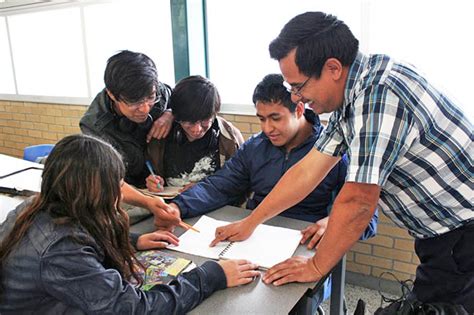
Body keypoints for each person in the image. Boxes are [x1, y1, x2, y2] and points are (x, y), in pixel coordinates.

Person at [211, 12, 473, 312]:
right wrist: (251, 222)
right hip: (441, 236)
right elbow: (308, 170)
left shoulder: (380, 94)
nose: (297, 98)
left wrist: (316, 266)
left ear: (333, 68)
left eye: (299, 86)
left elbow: (359, 202)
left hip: (463, 234)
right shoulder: (352, 98)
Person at [166, 74, 377, 308]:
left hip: (304, 248)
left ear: (298, 109)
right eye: (261, 119)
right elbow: (220, 185)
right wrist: (178, 205)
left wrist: (332, 221)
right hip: (251, 240)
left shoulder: (334, 151)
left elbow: (367, 216)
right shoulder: (254, 148)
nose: (267, 128)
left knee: (294, 304)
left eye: (275, 118)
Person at [0, 134, 259, 314]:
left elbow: (86, 237)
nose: (120, 193)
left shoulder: (40, 205)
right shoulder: (61, 250)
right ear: (92, 192)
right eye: (115, 185)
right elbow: (134, 309)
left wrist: (133, 241)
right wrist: (211, 275)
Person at [80, 50, 173, 188]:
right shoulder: (95, 127)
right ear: (112, 94)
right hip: (128, 190)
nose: (145, 109)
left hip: (165, 182)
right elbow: (111, 181)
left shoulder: (155, 90)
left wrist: (171, 113)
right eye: (135, 102)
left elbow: (178, 98)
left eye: (150, 98)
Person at [146, 75, 244, 191]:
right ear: (177, 116)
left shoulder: (230, 138)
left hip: (215, 207)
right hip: (168, 205)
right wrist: (152, 182)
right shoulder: (161, 135)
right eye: (189, 122)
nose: (197, 129)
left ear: (215, 113)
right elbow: (148, 172)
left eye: (204, 121)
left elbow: (242, 184)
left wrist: (208, 189)